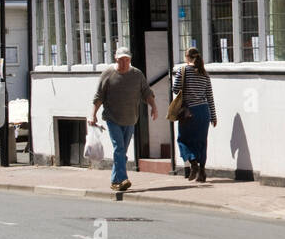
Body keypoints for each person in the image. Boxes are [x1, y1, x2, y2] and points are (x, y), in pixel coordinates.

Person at [89, 47, 156, 192]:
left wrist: (154, 107)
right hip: (112, 118)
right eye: (121, 60)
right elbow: (99, 96)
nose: (124, 63)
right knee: (119, 148)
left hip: (131, 118)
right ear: (116, 59)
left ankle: (115, 181)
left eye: (126, 60)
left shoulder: (137, 74)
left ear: (130, 60)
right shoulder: (108, 73)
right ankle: (123, 179)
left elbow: (146, 92)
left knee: (122, 151)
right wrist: (93, 114)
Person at [172, 47, 217, 183]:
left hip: (189, 111)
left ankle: (193, 162)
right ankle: (202, 172)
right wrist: (213, 116)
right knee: (201, 142)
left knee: (183, 139)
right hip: (204, 111)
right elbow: (209, 96)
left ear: (187, 57)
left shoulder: (183, 70)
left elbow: (175, 89)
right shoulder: (204, 73)